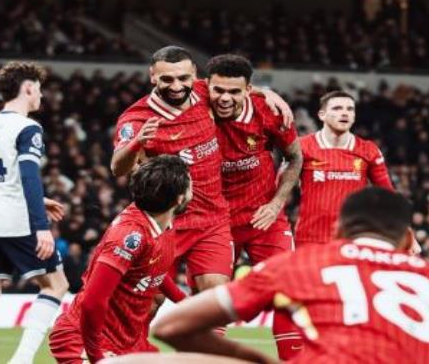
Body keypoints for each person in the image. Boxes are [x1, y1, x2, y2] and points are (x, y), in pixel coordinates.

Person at [153, 187, 429, 364]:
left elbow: (169, 327)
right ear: (407, 239)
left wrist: (258, 360)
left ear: (338, 229)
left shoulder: (304, 264)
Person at [111, 46, 292, 299]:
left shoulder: (202, 92)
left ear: (195, 75)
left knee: (215, 300)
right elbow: (117, 168)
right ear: (152, 76)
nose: (176, 86)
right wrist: (136, 143)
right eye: (167, 79)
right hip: (167, 222)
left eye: (183, 78)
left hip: (212, 222)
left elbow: (233, 86)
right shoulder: (137, 118)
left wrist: (268, 93)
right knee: (150, 302)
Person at [0, 61, 68, 364]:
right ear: (28, 87)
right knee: (57, 284)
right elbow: (27, 175)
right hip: (14, 221)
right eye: (39, 89)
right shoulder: (28, 127)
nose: (41, 95)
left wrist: (40, 199)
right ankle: (21, 360)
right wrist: (41, 225)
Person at [206, 54, 304, 359]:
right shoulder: (194, 103)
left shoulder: (268, 112)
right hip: (217, 222)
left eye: (234, 91)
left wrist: (277, 203)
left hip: (265, 218)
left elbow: (295, 157)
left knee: (289, 291)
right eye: (218, 90)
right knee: (214, 299)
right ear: (206, 86)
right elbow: (171, 84)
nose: (224, 98)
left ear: (248, 89)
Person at [49, 155, 191, 363]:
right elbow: (92, 302)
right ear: (179, 198)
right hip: (84, 341)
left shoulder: (162, 223)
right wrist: (96, 356)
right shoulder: (129, 237)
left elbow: (153, 272)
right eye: (190, 183)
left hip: (129, 342)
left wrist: (188, 303)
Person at [296, 91, 394, 246]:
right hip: (309, 239)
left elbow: (387, 196)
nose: (345, 113)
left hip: (352, 240)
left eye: (350, 109)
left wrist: (405, 231)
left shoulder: (368, 150)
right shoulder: (301, 147)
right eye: (337, 108)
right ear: (322, 115)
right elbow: (280, 187)